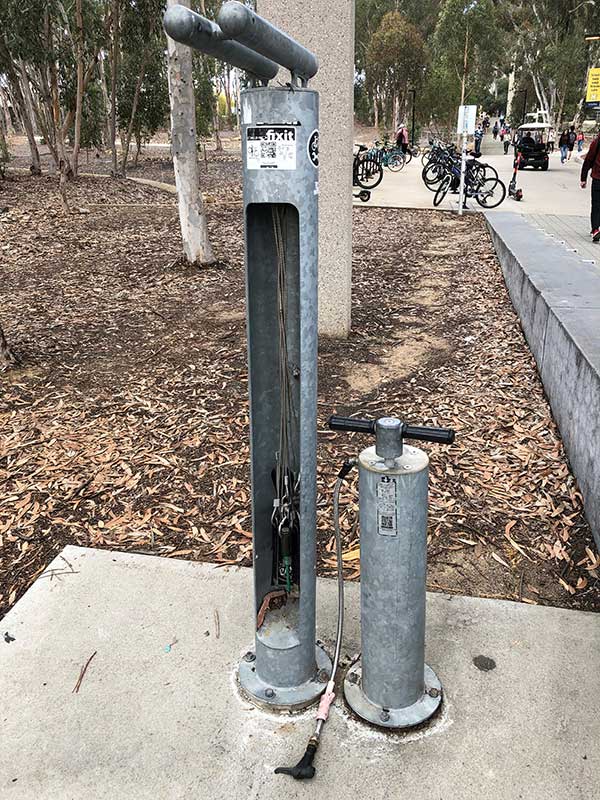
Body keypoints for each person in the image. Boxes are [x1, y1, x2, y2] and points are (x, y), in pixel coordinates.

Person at [580, 132, 600, 241]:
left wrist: (583, 178)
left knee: (596, 205)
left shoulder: (596, 142)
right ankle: (596, 228)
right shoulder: (596, 142)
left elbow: (588, 160)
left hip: (597, 178)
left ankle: (595, 229)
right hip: (597, 178)